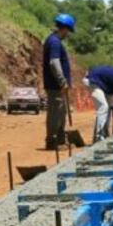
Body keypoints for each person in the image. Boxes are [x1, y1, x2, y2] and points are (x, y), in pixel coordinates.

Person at [42, 14, 75, 149]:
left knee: (61, 112)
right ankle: (52, 141)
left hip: (57, 85)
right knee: (55, 113)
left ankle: (60, 140)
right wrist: (62, 81)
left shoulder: (53, 40)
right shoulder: (54, 42)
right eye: (68, 31)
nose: (68, 34)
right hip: (55, 85)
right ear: (65, 29)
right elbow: (54, 63)